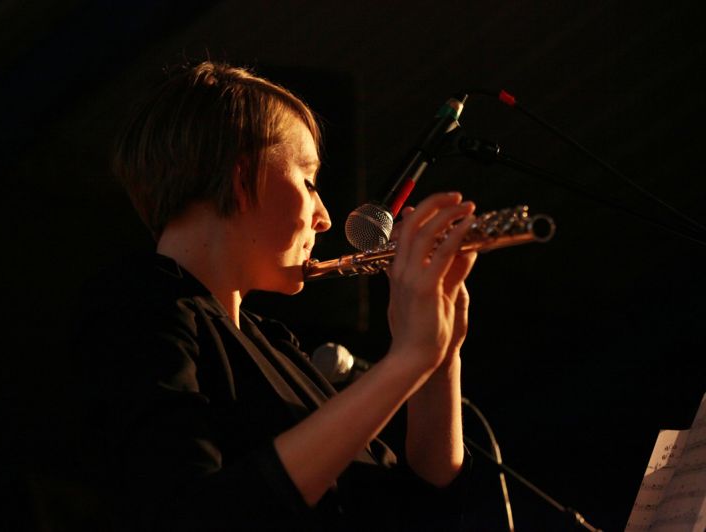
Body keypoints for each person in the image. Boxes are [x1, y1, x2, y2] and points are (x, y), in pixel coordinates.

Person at [71, 60, 478, 531]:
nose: (324, 217)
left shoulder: (276, 349)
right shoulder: (135, 312)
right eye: (308, 181)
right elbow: (193, 513)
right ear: (242, 178)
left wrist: (440, 356)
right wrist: (407, 359)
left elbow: (417, 509)